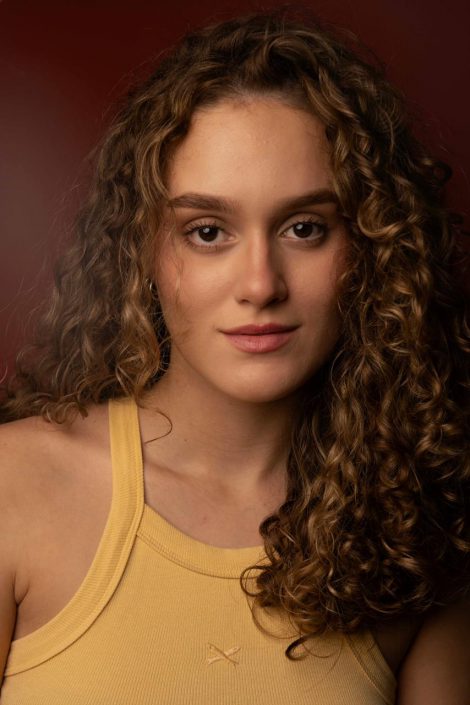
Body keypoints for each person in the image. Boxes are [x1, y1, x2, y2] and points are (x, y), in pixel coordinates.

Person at [0, 8, 469, 704]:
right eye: (208, 231)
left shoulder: (418, 534)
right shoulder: (14, 487)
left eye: (304, 228)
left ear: (374, 247)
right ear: (143, 248)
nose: (260, 284)